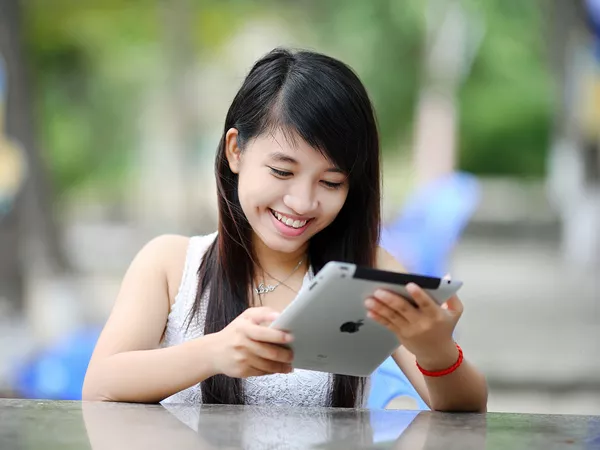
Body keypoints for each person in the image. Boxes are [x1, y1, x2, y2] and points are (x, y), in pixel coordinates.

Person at [82, 48, 488, 411]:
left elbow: (465, 409)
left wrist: (436, 352)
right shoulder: (170, 264)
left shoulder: (369, 272)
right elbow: (99, 386)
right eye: (282, 171)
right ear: (235, 150)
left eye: (331, 182)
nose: (302, 202)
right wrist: (214, 353)